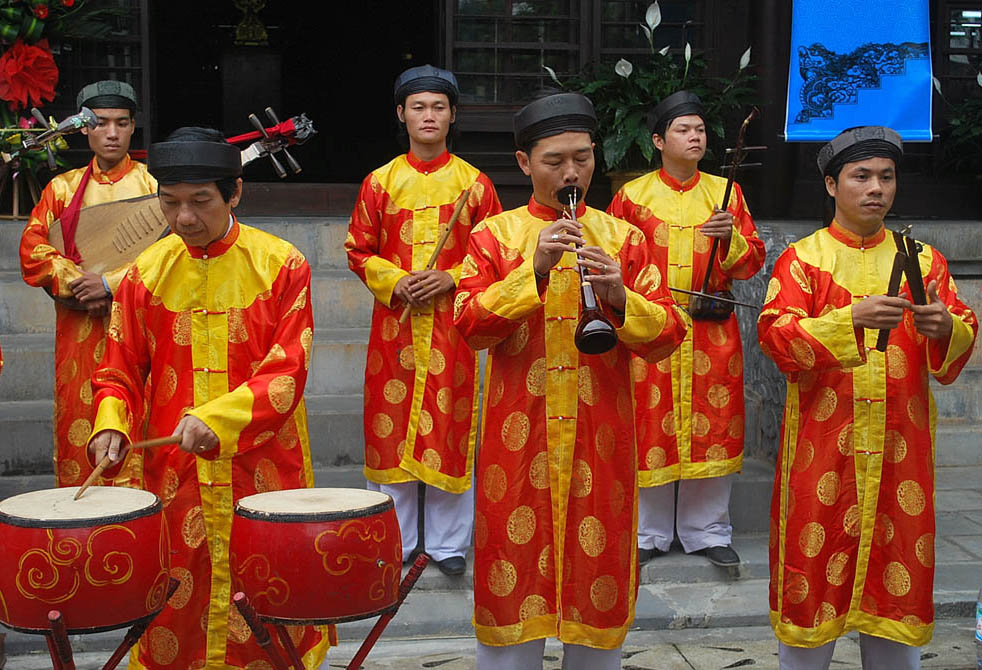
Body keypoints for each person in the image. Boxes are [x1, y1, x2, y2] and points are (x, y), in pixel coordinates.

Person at [454, 92, 688, 669]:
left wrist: (620, 297)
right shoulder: (494, 236)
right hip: (518, 443)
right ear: (524, 163)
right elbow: (468, 326)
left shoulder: (624, 238)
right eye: (555, 161)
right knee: (513, 584)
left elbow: (668, 335)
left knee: (597, 584)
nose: (571, 173)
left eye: (582, 158)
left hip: (600, 440)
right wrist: (530, 271)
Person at [87, 128, 330, 669]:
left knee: (266, 588)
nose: (184, 218)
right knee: (179, 594)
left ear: (234, 193)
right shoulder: (145, 274)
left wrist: (217, 418)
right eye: (170, 203)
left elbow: (287, 370)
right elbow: (119, 367)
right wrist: (111, 423)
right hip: (175, 469)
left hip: (261, 463)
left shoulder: (281, 264)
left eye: (200, 201)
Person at [758, 126, 977, 669]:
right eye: (861, 177)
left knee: (896, 575)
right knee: (813, 576)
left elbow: (960, 331)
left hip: (902, 450)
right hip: (822, 449)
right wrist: (848, 320)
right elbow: (777, 337)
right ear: (832, 185)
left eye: (886, 177)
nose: (876, 188)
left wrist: (945, 327)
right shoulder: (803, 260)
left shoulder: (923, 261)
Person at [345, 64, 501, 576]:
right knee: (390, 428)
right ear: (401, 114)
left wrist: (452, 277)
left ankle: (449, 544)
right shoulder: (380, 182)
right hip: (395, 328)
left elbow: (495, 254)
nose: (428, 116)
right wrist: (395, 280)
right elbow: (358, 248)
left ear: (453, 115)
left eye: (438, 107)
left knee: (450, 426)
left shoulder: (475, 185)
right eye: (418, 107)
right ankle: (398, 538)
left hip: (451, 328)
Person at [607, 91, 765, 568]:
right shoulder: (632, 197)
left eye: (699, 130)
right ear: (658, 141)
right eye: (683, 130)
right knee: (649, 423)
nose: (694, 137)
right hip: (652, 327)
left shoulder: (725, 193)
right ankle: (648, 532)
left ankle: (707, 531)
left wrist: (731, 238)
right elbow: (614, 257)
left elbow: (751, 262)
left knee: (712, 423)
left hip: (710, 331)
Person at [19, 80, 156, 488]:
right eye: (100, 123)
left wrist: (110, 284)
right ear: (84, 129)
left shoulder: (154, 186)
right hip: (79, 334)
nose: (112, 133)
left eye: (121, 123)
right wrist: (81, 284)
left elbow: (172, 254)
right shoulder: (61, 189)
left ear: (133, 127)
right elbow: (32, 252)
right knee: (80, 424)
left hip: (137, 328)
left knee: (143, 424)